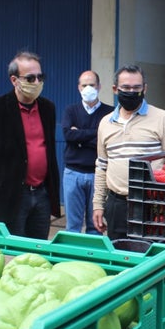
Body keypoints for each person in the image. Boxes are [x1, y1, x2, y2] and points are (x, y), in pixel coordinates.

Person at [0, 51, 61, 239]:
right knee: (15, 253)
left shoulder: (47, 108)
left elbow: (49, 149)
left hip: (41, 194)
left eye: (40, 77)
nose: (37, 82)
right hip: (11, 196)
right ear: (14, 80)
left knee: (38, 251)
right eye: (30, 78)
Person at [92, 65, 165, 240]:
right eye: (126, 88)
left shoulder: (162, 118)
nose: (131, 92)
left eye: (136, 88)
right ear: (115, 89)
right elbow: (102, 166)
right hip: (117, 204)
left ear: (145, 89)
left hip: (153, 204)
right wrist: (98, 204)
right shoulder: (105, 123)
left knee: (151, 259)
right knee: (120, 258)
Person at [61, 70, 114, 235]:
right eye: (84, 85)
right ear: (79, 87)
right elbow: (69, 135)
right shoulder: (71, 110)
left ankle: (92, 259)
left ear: (99, 87)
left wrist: (80, 135)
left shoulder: (110, 113)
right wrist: (96, 132)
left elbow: (108, 142)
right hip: (72, 174)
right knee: (73, 226)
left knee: (96, 226)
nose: (88, 88)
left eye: (92, 85)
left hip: (98, 175)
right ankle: (71, 259)